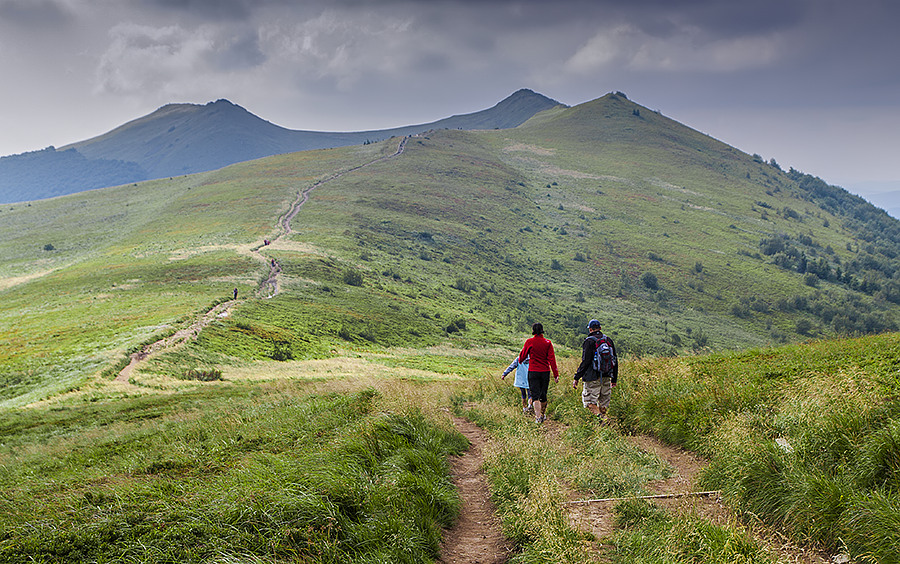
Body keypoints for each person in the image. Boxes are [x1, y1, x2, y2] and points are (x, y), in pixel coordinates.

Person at [573, 319, 618, 424]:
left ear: (590, 329)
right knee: (603, 404)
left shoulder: (589, 341)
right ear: (600, 328)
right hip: (607, 375)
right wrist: (614, 378)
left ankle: (604, 420)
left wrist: (577, 377)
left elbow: (586, 361)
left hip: (592, 377)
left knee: (589, 402)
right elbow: (615, 360)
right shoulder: (608, 340)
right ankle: (603, 426)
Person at [519, 322, 559, 424]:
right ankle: (542, 414)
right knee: (543, 395)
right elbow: (552, 360)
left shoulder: (529, 342)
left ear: (533, 330)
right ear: (542, 330)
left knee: (535, 395)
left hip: (533, 371)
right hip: (545, 371)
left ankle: (538, 417)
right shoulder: (547, 343)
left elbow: (522, 357)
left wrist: (522, 355)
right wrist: (556, 374)